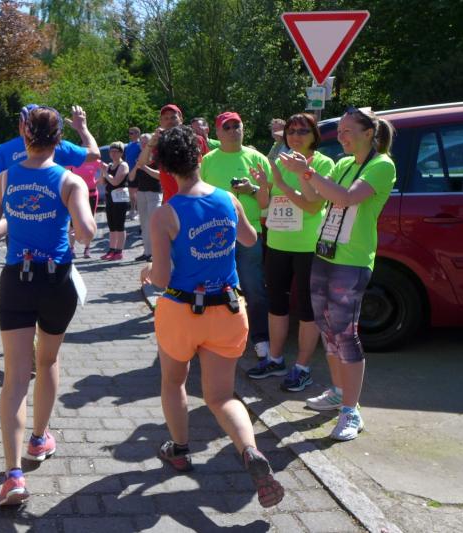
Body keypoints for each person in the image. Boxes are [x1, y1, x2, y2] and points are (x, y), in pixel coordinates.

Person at [140, 125, 284, 508]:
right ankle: (249, 450)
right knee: (221, 396)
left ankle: (180, 450)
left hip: (182, 311)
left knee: (174, 381)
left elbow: (162, 278)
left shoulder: (165, 214)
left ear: (165, 168)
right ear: (200, 157)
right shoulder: (228, 199)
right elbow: (250, 239)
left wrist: (149, 271)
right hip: (229, 309)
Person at [0, 106, 96, 506]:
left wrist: (16, 219)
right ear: (59, 139)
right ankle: (39, 439)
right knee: (47, 361)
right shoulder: (69, 180)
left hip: (17, 280)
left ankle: (13, 476)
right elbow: (86, 232)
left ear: (25, 136)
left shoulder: (6, 178)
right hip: (56, 281)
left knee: (14, 377)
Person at [278, 107, 396, 440]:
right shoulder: (343, 164)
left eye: (347, 131)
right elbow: (317, 200)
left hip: (352, 260)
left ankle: (351, 411)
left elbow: (345, 198)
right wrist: (304, 175)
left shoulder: (381, 165)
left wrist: (308, 172)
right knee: (328, 329)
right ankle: (338, 392)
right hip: (325, 253)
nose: (341, 136)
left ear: (368, 133)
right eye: (339, 131)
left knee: (346, 333)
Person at [246, 114, 335, 392]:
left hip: (309, 246)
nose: (295, 135)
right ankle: (275, 359)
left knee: (308, 309)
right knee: (276, 304)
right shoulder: (278, 161)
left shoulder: (323, 163)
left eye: (302, 131)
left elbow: (312, 205)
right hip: (278, 243)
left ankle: (302, 368)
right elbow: (264, 203)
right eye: (291, 131)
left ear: (314, 135)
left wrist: (291, 179)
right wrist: (263, 184)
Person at [200, 111, 271, 359]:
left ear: (243, 128)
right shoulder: (207, 160)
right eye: (227, 127)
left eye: (236, 126)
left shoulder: (258, 158)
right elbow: (198, 196)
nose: (232, 131)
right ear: (218, 133)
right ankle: (216, 338)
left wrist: (251, 189)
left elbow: (267, 202)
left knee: (254, 288)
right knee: (216, 288)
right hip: (214, 235)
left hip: (251, 232)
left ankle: (261, 339)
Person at [0, 104, 100, 192]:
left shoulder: (5, 149)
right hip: (55, 213)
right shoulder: (58, 146)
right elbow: (94, 154)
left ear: (22, 124)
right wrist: (82, 128)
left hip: (18, 214)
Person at [129, 133, 161, 262]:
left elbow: (160, 175)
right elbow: (131, 178)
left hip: (155, 193)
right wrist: (136, 167)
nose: (142, 144)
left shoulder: (157, 156)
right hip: (141, 193)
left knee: (154, 224)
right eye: (141, 142)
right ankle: (147, 252)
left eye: (145, 141)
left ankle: (156, 253)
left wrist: (144, 167)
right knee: (144, 224)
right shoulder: (139, 157)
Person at [96, 141, 130, 260]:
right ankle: (111, 249)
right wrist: (102, 171)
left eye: (116, 151)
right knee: (111, 225)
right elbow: (102, 182)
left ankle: (119, 251)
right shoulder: (110, 165)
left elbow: (115, 181)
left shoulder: (123, 165)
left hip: (120, 199)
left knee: (119, 225)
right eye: (111, 152)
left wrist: (105, 172)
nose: (113, 154)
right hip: (110, 197)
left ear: (121, 153)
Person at [67, 159, 101, 258]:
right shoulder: (75, 160)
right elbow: (65, 173)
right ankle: (71, 248)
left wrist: (97, 181)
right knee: (73, 221)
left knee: (89, 221)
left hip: (92, 194)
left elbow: (106, 169)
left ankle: (87, 248)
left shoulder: (95, 161)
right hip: (77, 194)